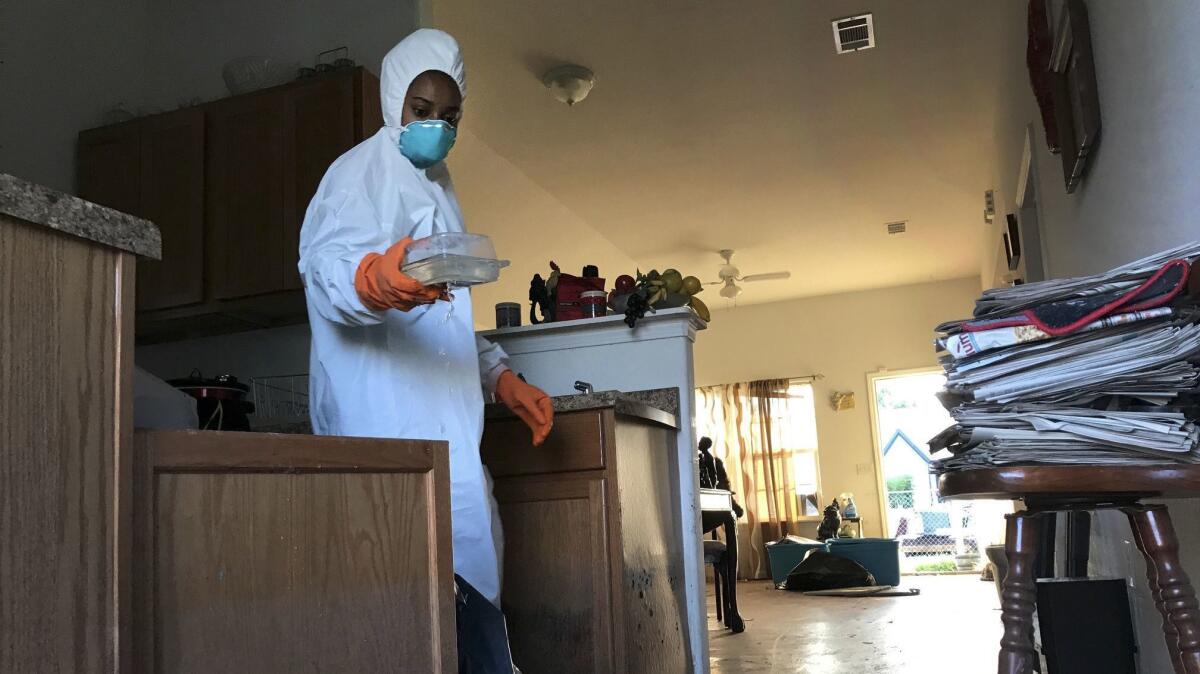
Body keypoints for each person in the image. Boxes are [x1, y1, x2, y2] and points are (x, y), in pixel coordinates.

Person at [297, 28, 554, 612]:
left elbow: (446, 314)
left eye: (450, 114)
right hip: (382, 427)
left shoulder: (438, 186)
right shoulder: (358, 173)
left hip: (450, 432)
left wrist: (500, 378)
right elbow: (325, 269)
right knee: (395, 602)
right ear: (394, 103)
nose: (436, 125)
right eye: (421, 109)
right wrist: (372, 278)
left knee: (473, 591)